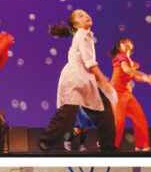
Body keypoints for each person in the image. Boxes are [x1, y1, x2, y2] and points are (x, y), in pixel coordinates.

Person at [39, 11, 116, 152]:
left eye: (85, 14)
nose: (86, 16)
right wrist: (102, 79)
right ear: (76, 25)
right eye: (80, 16)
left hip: (85, 78)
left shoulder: (85, 35)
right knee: (69, 112)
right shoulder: (82, 34)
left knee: (102, 110)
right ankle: (46, 140)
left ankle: (108, 146)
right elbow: (89, 61)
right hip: (75, 78)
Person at [107, 37, 151, 150]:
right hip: (116, 93)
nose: (126, 43)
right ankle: (109, 145)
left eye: (128, 42)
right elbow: (127, 70)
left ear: (131, 46)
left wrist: (147, 79)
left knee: (140, 118)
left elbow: (135, 76)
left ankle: (142, 145)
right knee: (119, 120)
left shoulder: (131, 62)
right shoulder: (120, 57)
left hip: (127, 93)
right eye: (123, 42)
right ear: (119, 47)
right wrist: (145, 75)